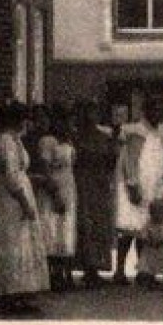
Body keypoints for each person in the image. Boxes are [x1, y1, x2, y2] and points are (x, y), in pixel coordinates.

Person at [0, 102, 50, 315]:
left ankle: (21, 294)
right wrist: (24, 202)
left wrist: (33, 180)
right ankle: (9, 294)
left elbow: (19, 172)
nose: (28, 124)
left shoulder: (16, 141)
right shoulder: (6, 142)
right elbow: (11, 176)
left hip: (21, 192)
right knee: (13, 243)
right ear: (18, 120)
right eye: (26, 119)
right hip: (12, 200)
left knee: (23, 244)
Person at [113, 95, 163, 285]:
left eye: (161, 110)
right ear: (146, 111)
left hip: (155, 183)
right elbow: (129, 160)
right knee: (129, 228)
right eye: (153, 109)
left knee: (149, 228)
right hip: (137, 182)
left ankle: (144, 271)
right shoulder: (136, 131)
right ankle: (120, 270)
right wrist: (132, 185)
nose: (157, 113)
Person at [70, 101, 117, 288]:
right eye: (88, 113)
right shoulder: (76, 136)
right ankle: (86, 267)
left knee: (100, 224)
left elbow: (111, 160)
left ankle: (97, 267)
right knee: (85, 222)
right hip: (83, 182)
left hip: (100, 183)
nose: (92, 117)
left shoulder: (104, 136)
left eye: (95, 113)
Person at [35, 105, 78, 292]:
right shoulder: (47, 142)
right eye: (65, 121)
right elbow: (45, 169)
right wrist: (55, 193)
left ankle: (65, 273)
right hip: (53, 187)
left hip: (68, 186)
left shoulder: (68, 143)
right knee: (51, 229)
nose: (69, 125)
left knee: (66, 230)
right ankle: (52, 274)